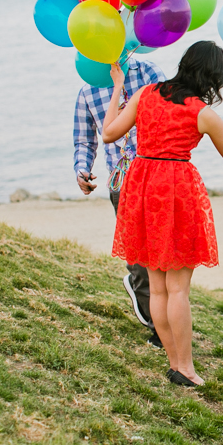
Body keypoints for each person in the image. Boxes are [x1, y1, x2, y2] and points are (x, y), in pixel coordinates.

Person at [103, 41, 223, 387]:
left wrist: (118, 88)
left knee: (158, 288)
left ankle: (175, 364)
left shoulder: (145, 94)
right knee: (178, 289)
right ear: (212, 77)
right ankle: (185, 368)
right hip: (175, 189)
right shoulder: (203, 113)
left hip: (141, 186)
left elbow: (110, 133)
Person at [73, 56, 165, 348]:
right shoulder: (87, 90)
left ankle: (166, 318)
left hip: (157, 174)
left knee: (163, 252)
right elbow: (85, 140)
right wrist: (82, 168)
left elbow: (168, 115)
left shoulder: (148, 71)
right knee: (139, 257)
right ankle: (156, 327)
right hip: (122, 182)